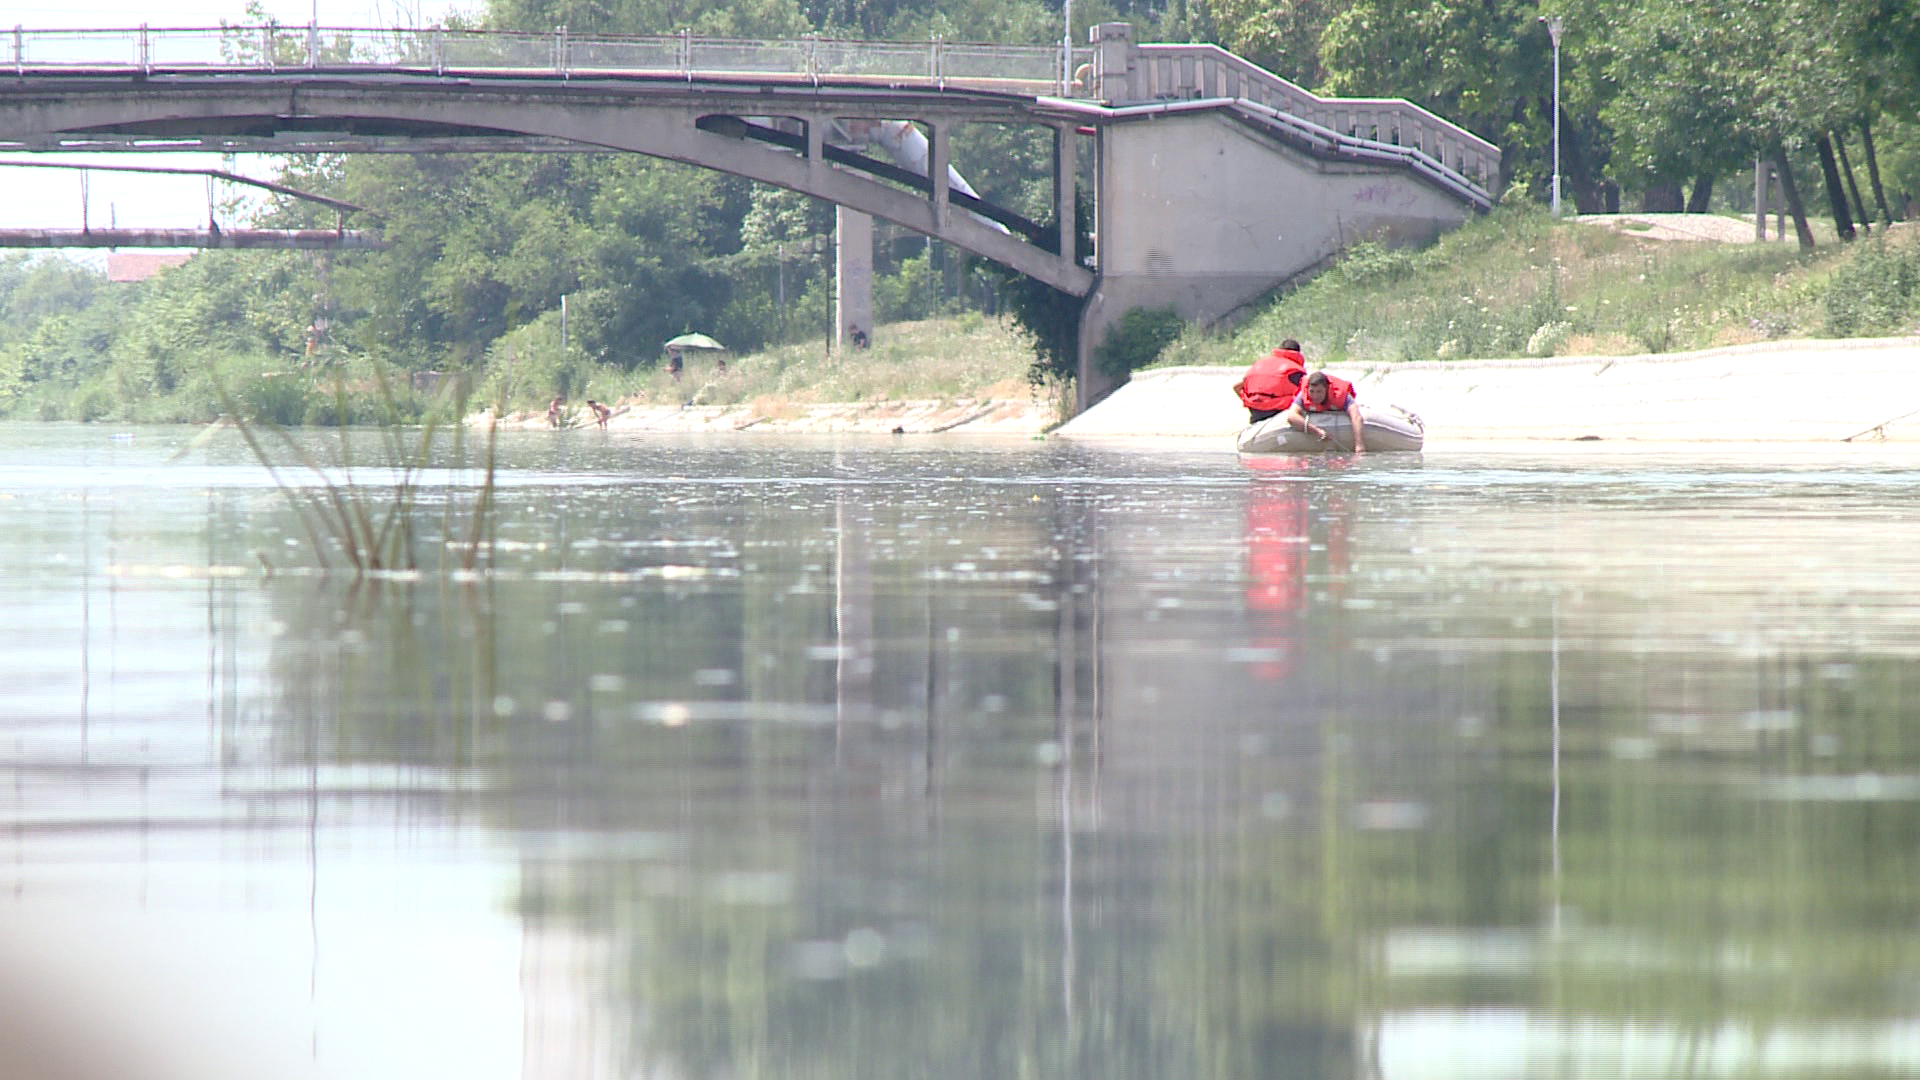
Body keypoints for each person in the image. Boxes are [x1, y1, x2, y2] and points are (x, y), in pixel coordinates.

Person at [1285, 370, 1366, 453]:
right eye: (1312, 391)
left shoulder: (1341, 395)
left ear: (1327, 389)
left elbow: (1356, 417)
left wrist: (1359, 444)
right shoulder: (1303, 394)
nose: (1315, 396)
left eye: (1319, 391)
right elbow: (1291, 416)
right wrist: (1316, 431)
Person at [1233, 338, 1309, 423]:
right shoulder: (1295, 369)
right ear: (1298, 354)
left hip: (1255, 407)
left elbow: (1236, 387)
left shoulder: (1262, 363)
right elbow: (1306, 392)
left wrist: (1247, 401)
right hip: (1277, 409)